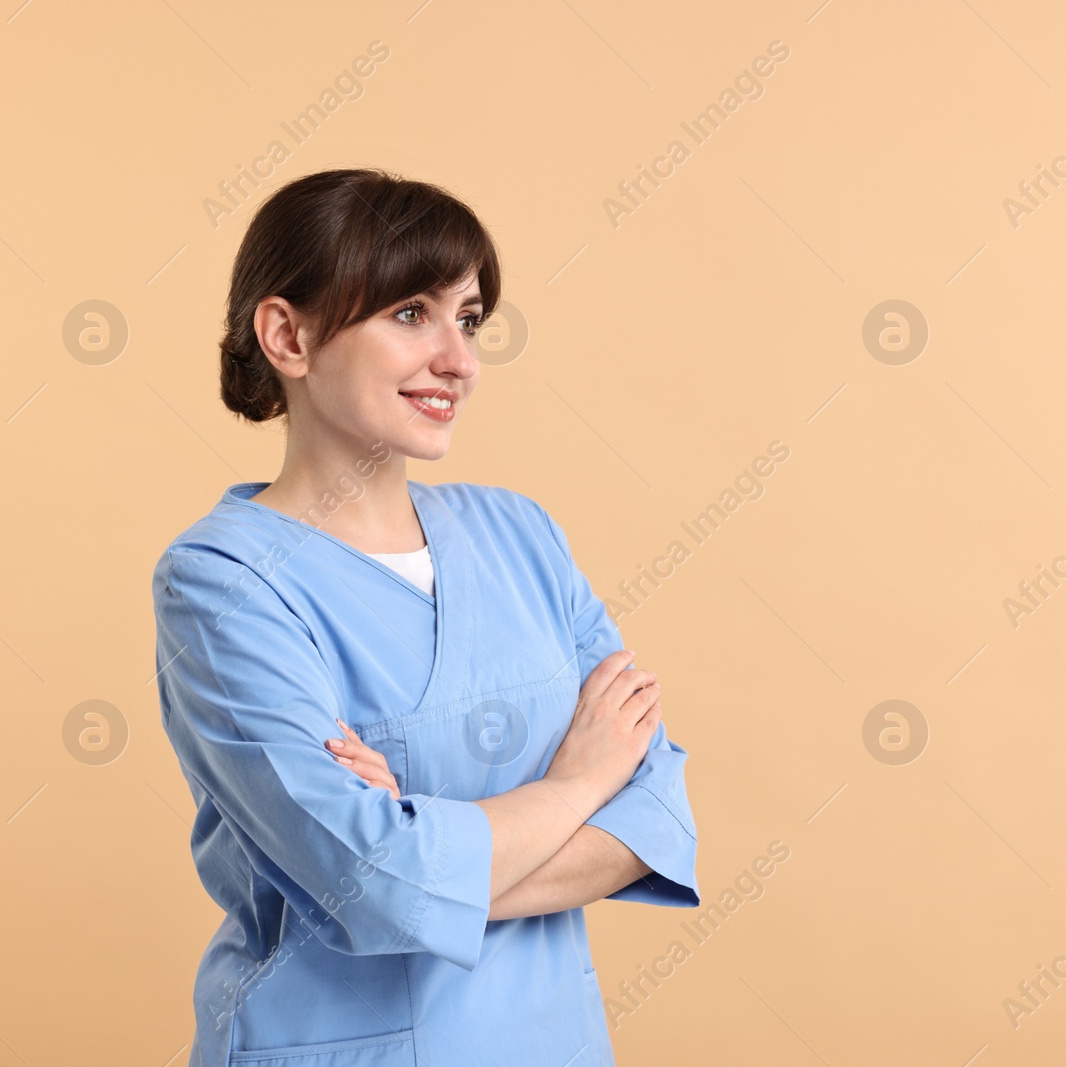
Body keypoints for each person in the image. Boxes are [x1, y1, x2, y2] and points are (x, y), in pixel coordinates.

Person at [150, 167, 699, 1066]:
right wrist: (573, 786)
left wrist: (420, 848)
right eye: (411, 313)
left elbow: (655, 820)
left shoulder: (521, 535)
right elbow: (374, 880)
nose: (460, 360)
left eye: (469, 318)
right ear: (287, 335)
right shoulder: (225, 583)